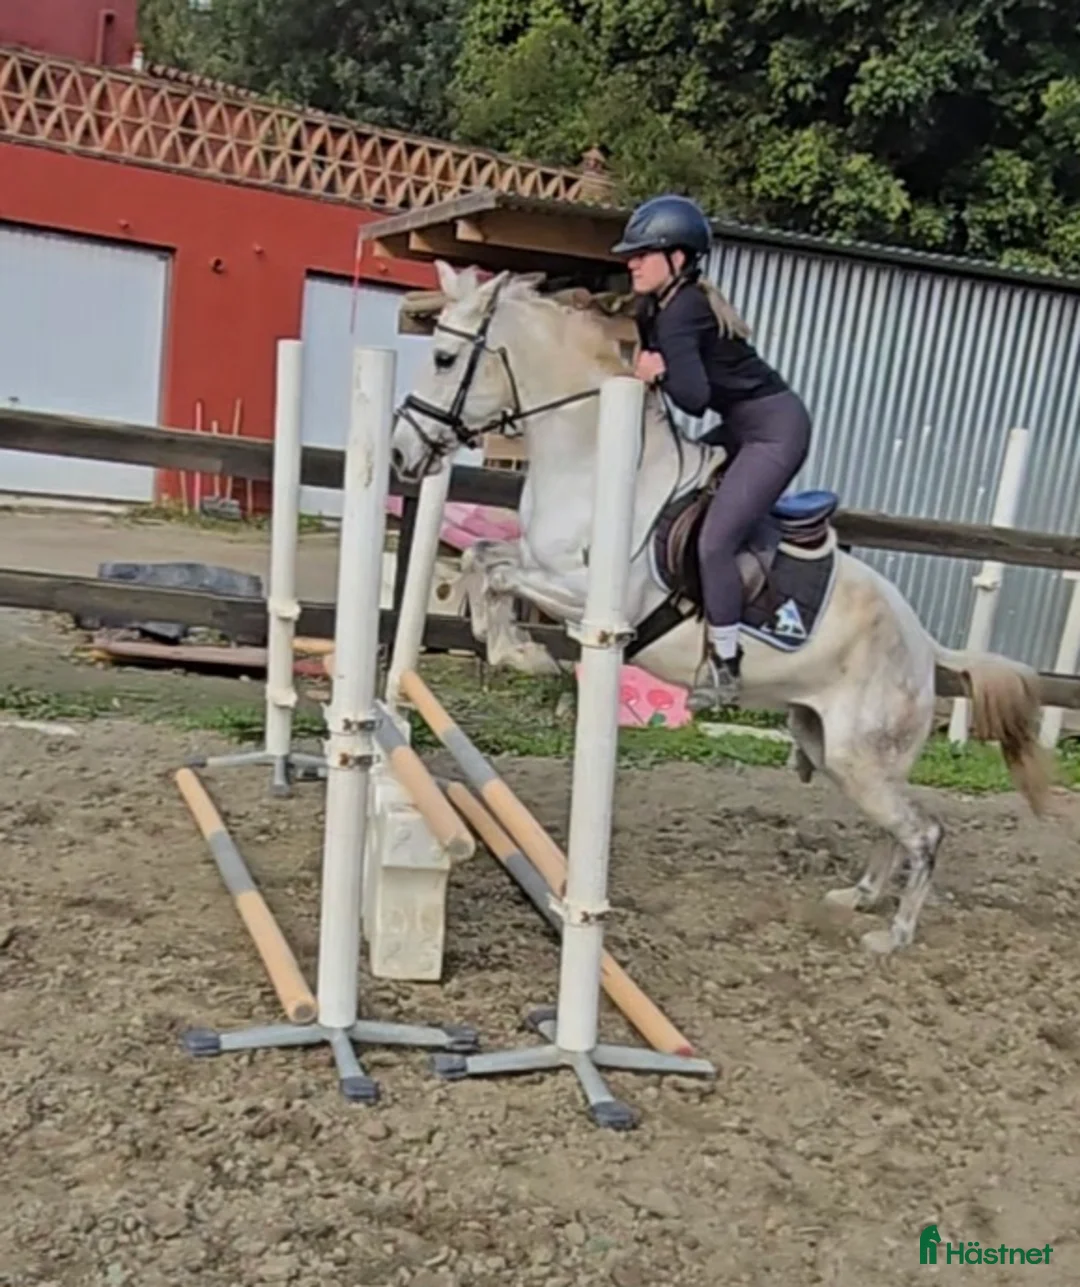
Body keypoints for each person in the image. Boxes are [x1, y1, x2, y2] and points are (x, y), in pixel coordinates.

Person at [611, 193, 813, 711]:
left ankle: (725, 665)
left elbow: (695, 398)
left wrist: (657, 374)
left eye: (643, 253)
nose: (631, 262)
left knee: (715, 541)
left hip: (774, 432)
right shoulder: (655, 307)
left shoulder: (685, 311)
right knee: (678, 501)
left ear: (677, 257)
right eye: (631, 254)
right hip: (742, 427)